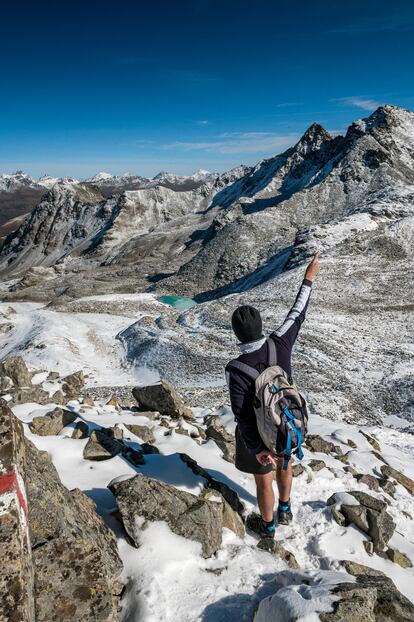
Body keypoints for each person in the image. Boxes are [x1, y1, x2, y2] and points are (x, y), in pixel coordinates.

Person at [225, 252, 320, 538]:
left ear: (237, 335)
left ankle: (267, 529)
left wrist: (257, 449)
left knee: (263, 482)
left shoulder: (237, 369)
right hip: (285, 424)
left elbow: (242, 416)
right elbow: (297, 313)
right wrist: (308, 278)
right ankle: (286, 508)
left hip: (260, 435)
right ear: (260, 326)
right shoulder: (280, 342)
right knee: (285, 462)